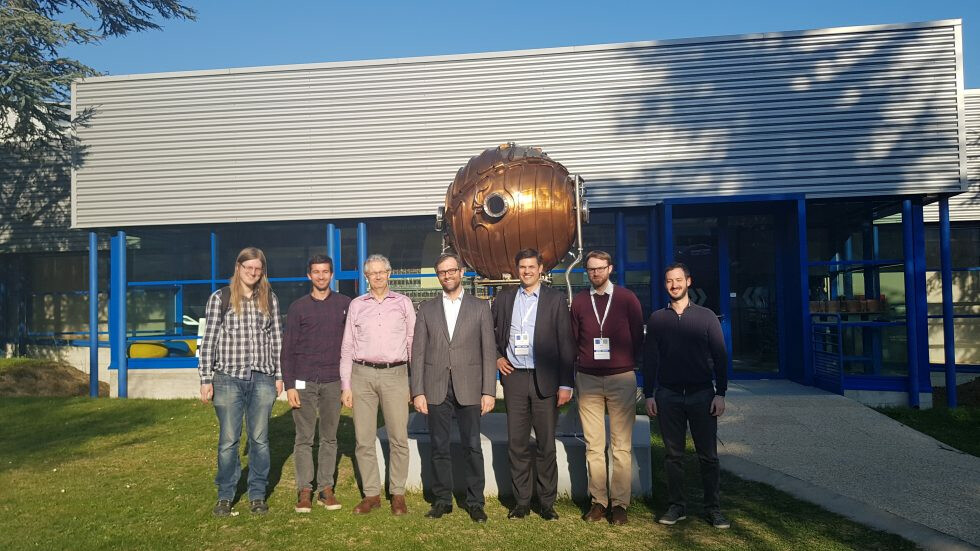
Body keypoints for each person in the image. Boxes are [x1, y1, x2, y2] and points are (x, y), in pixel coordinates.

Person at [643, 262, 731, 529]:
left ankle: (713, 508)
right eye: (669, 281)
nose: (674, 285)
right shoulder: (657, 319)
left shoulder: (706, 317)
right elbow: (650, 359)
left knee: (708, 456)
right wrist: (648, 394)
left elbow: (720, 357)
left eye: (679, 280)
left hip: (702, 395)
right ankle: (677, 506)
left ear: (688, 282)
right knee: (673, 456)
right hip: (668, 396)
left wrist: (721, 393)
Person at [410, 253, 496, 523]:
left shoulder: (480, 307)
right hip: (435, 387)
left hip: (470, 386)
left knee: (472, 446)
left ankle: (475, 501)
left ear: (461, 272)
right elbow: (418, 352)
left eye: (451, 271)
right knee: (439, 446)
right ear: (438, 276)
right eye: (442, 272)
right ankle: (442, 500)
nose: (447, 276)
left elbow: (488, 352)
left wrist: (489, 391)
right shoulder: (426, 308)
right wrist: (417, 391)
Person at [491, 248, 575, 521]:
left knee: (545, 444)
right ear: (517, 270)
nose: (526, 271)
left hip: (546, 379)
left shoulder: (555, 299)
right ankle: (522, 501)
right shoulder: (504, 299)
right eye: (522, 267)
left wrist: (566, 384)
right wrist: (496, 357)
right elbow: (490, 334)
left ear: (541, 269)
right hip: (515, 378)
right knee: (517, 444)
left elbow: (566, 343)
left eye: (531, 267)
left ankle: (547, 502)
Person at [198, 247, 283, 517]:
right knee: (228, 440)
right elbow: (209, 340)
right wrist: (205, 378)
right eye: (249, 268)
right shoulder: (220, 298)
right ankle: (225, 494)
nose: (253, 273)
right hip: (227, 379)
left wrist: (280, 375)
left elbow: (277, 340)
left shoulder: (270, 298)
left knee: (260, 440)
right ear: (238, 267)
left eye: (258, 269)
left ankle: (257, 494)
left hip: (262, 377)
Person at [569, 250, 644, 525]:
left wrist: (627, 363)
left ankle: (620, 504)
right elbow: (574, 338)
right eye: (591, 269)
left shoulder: (627, 299)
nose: (596, 273)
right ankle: (598, 502)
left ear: (610, 268)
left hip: (621, 378)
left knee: (621, 446)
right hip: (587, 379)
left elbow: (637, 335)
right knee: (594, 445)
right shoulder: (579, 301)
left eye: (600, 268)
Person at [340, 254, 415, 516]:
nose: (378, 276)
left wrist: (412, 383)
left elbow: (412, 342)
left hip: (395, 375)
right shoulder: (357, 305)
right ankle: (371, 494)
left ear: (390, 273)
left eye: (382, 272)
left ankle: (398, 493)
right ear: (366, 277)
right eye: (373, 273)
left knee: (398, 438)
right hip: (362, 375)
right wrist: (346, 384)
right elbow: (347, 345)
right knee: (363, 439)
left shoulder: (404, 304)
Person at [281, 255, 352, 513]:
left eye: (325, 272)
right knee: (304, 437)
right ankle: (304, 490)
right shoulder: (298, 308)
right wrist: (290, 385)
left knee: (329, 437)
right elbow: (287, 350)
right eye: (316, 272)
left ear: (332, 274)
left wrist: (348, 384)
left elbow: (351, 345)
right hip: (303, 380)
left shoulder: (345, 304)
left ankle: (325, 488)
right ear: (308, 275)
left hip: (334, 379)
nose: (321, 276)